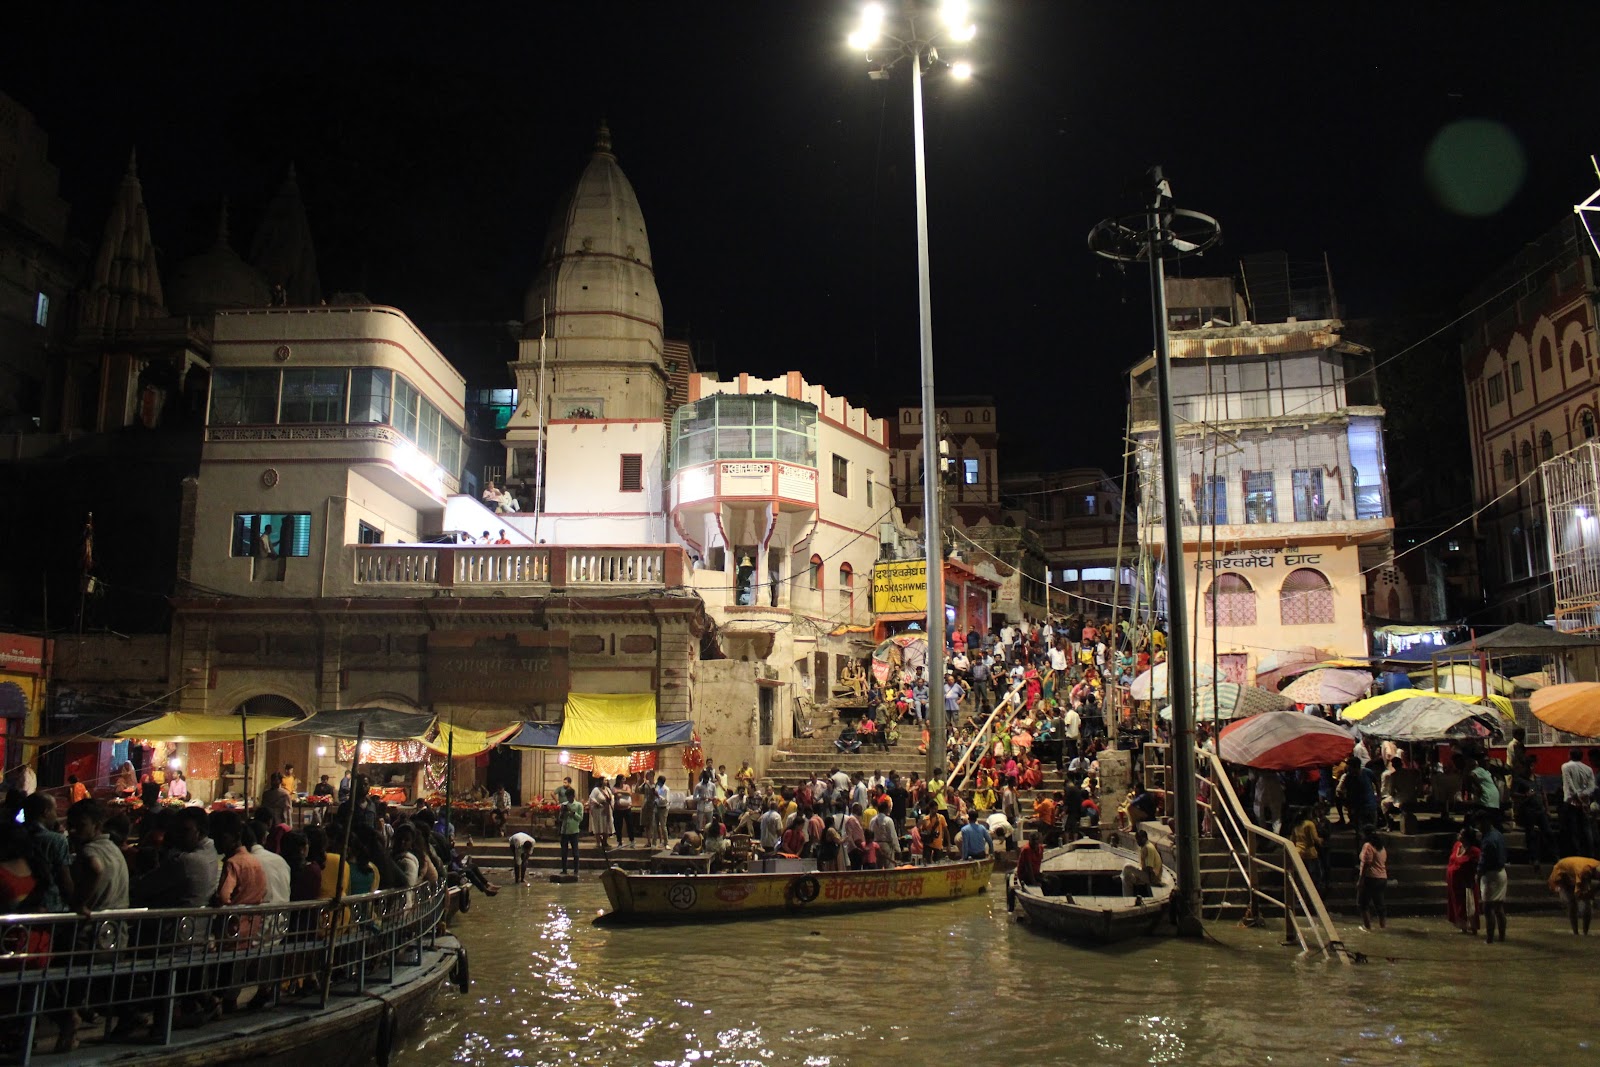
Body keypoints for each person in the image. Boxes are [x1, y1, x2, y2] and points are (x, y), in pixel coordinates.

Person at [1548, 854, 1599, 935]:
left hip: (1572, 871)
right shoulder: (1583, 871)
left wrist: (1593, 892)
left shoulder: (1595, 865)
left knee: (1585, 904)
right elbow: (1578, 893)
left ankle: (1584, 932)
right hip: (1561, 876)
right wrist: (1588, 895)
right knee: (1573, 903)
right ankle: (1576, 932)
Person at [1559, 748, 1596, 858]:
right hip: (1585, 802)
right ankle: (1591, 854)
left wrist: (1577, 796)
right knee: (1586, 829)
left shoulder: (1565, 767)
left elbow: (1570, 785)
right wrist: (1583, 797)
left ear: (1570, 755)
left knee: (1573, 830)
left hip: (1571, 803)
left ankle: (1577, 854)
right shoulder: (1588, 769)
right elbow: (1592, 787)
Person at [1478, 815, 1509, 944]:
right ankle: (1501, 936)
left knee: (1488, 907)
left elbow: (1485, 860)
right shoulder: (1498, 834)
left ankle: (1490, 938)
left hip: (1491, 874)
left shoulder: (1489, 840)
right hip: (1501, 872)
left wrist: (1478, 873)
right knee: (1498, 907)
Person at [1445, 825, 1481, 934]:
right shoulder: (1457, 846)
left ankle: (1473, 926)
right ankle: (1462, 925)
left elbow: (1475, 867)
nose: (1458, 835)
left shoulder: (1474, 851)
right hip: (1454, 881)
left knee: (1469, 904)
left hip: (1465, 881)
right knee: (1457, 903)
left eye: (1461, 834)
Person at [1356, 827, 1388, 931]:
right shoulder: (1381, 847)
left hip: (1370, 878)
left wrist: (1361, 880)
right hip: (1382, 878)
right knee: (1379, 904)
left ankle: (1367, 927)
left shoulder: (1368, 846)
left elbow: (1366, 864)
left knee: (1362, 903)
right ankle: (1383, 926)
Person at [1121, 827, 1163, 899]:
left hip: (1152, 878)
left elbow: (1149, 868)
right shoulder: (1146, 846)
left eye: (1138, 840)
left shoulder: (1148, 848)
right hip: (1149, 876)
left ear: (1143, 838)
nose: (1137, 842)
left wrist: (1138, 876)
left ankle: (1120, 876)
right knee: (1126, 878)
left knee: (1127, 866)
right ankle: (1127, 899)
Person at [558, 787, 584, 876]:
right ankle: (564, 869)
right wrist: (562, 812)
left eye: (570, 797)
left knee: (575, 851)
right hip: (564, 831)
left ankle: (576, 869)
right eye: (567, 797)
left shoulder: (579, 805)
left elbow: (580, 818)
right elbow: (560, 818)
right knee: (564, 851)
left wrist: (572, 813)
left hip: (574, 830)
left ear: (573, 796)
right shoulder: (564, 804)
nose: (568, 799)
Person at [588, 777, 615, 851]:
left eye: (607, 780)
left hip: (606, 809)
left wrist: (612, 804)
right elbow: (591, 798)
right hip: (598, 810)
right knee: (598, 825)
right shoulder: (596, 790)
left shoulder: (607, 789)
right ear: (601, 781)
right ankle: (598, 842)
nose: (606, 781)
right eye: (605, 780)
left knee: (606, 825)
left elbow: (611, 798)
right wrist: (597, 803)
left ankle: (605, 842)